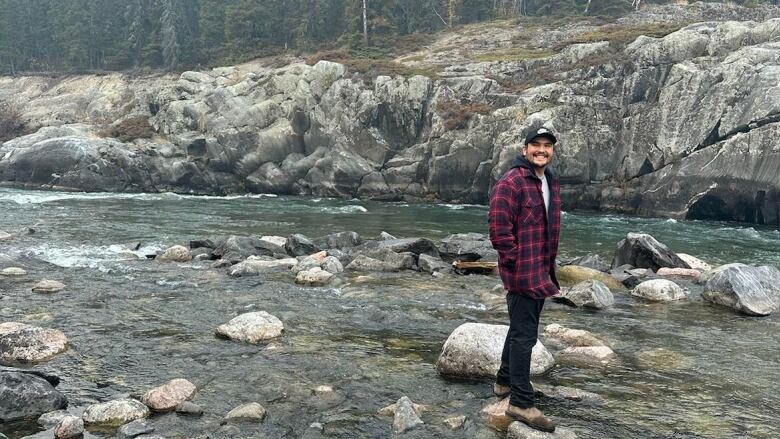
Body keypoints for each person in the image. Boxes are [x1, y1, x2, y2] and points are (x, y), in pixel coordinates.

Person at [488, 126, 562, 433]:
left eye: (546, 146)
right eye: (536, 145)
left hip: (541, 270)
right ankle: (520, 401)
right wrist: (514, 262)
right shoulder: (512, 181)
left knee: (520, 328)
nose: (541, 150)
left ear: (552, 151)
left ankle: (504, 381)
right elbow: (498, 228)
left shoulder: (549, 182)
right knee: (525, 336)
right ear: (525, 149)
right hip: (523, 272)